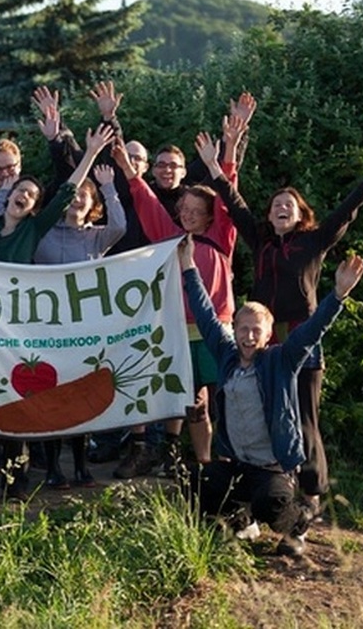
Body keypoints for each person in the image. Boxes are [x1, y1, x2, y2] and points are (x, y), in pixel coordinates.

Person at [209, 155, 363, 510]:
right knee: (262, 412)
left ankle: (311, 495)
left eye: (289, 205)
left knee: (303, 416)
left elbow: (346, 211)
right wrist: (215, 166)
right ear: (270, 216)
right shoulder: (261, 241)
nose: (281, 208)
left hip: (302, 340)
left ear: (301, 214)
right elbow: (234, 204)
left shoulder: (313, 241)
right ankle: (268, 485)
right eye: (276, 205)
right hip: (262, 340)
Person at [0, 98, 115, 501]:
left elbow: (69, 190)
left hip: (17, 329)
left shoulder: (34, 230)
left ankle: (17, 482)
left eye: (30, 193)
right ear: (7, 195)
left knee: (14, 402)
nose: (23, 195)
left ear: (34, 205)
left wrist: (90, 152)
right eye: (18, 190)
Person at [178, 234, 363, 557]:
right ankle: (242, 522)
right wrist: (188, 265)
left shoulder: (281, 360)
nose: (249, 337)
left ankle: (298, 524)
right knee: (195, 482)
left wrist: (338, 295)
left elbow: (313, 329)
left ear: (268, 335)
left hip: (272, 467)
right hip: (238, 463)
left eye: (256, 331)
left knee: (272, 503)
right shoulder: (226, 355)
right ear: (234, 330)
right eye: (243, 329)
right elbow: (205, 312)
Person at [114, 121, 244, 478]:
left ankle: (225, 463)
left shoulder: (221, 235)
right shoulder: (171, 237)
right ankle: (191, 463)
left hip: (217, 329)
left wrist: (229, 148)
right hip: (178, 330)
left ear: (208, 214)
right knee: (189, 401)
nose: (186, 213)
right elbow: (146, 201)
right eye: (183, 208)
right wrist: (127, 167)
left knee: (222, 400)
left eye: (194, 209)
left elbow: (229, 193)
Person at [32, 160, 127, 489]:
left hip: (83, 333)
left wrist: (109, 187)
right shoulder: (42, 232)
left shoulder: (97, 238)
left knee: (80, 399)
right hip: (46, 330)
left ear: (92, 205)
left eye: (85, 196)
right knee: (51, 398)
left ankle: (81, 466)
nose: (78, 200)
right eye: (74, 195)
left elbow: (121, 226)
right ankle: (53, 467)